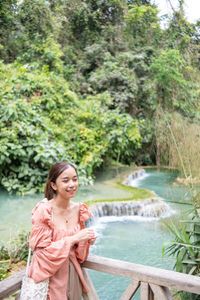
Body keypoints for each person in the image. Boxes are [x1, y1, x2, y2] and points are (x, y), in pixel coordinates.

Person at [29, 162, 97, 300]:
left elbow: (79, 256)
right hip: (50, 281)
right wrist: (74, 239)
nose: (72, 184)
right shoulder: (44, 211)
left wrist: (86, 241)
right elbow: (41, 255)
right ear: (53, 185)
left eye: (75, 179)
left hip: (74, 278)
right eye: (65, 180)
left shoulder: (79, 209)